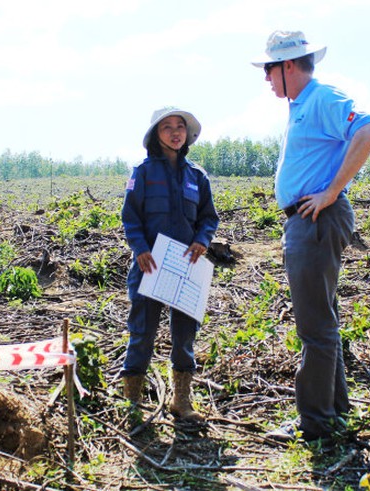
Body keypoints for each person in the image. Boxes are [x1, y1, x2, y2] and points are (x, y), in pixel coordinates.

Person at [251, 31, 370, 442]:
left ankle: (315, 424)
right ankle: (334, 410)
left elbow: (368, 131)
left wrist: (331, 191)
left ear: (289, 66)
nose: (267, 79)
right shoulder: (301, 105)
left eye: (270, 70)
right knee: (323, 319)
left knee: (314, 325)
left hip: (316, 220)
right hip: (307, 221)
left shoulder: (322, 96)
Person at [120, 107, 219, 425]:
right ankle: (132, 404)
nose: (175, 132)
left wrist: (203, 239)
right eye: (167, 127)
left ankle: (181, 401)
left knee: (184, 336)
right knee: (142, 334)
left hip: (186, 269)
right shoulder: (143, 172)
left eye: (180, 127)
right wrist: (140, 248)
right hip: (150, 267)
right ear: (155, 134)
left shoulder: (197, 176)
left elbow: (208, 217)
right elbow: (130, 217)